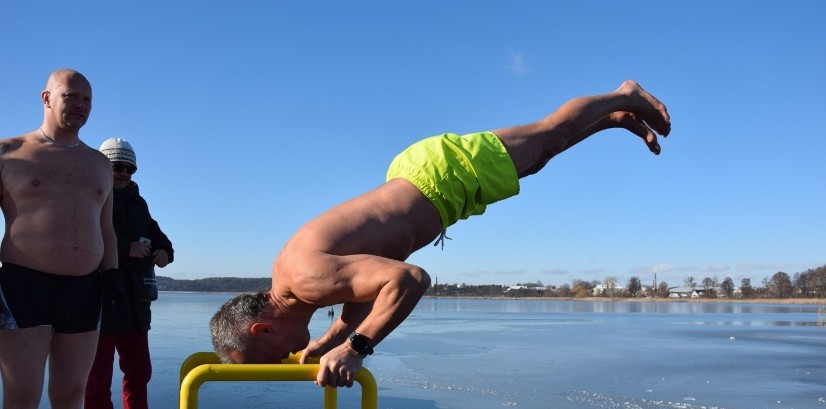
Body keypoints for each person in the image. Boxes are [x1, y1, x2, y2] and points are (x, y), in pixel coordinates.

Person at [210, 80, 671, 388]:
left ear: (262, 328)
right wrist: (325, 346)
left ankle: (622, 95)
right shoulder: (299, 282)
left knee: (547, 134)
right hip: (431, 183)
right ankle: (613, 120)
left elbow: (408, 280)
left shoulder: (306, 279)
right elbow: (360, 302)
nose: (286, 356)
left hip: (439, 177)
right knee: (539, 158)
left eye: (270, 355)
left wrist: (356, 350)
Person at [0, 69, 121, 409]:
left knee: (71, 398)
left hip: (84, 289)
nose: (81, 106)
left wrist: (113, 280)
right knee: (22, 398)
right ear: (47, 97)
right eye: (72, 96)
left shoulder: (98, 164)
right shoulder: (8, 152)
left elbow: (105, 228)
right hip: (21, 287)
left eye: (88, 99)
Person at [84, 138, 174, 409]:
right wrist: (126, 249)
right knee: (97, 377)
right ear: (102, 168)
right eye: (114, 167)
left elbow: (159, 236)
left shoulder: (139, 203)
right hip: (101, 302)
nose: (121, 173)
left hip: (137, 305)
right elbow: (83, 239)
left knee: (139, 372)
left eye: (126, 168)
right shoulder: (91, 197)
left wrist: (165, 252)